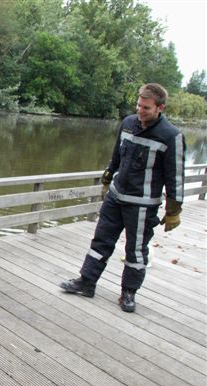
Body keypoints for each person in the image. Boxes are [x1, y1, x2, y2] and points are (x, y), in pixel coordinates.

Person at [58, 83, 185, 312]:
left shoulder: (171, 136)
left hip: (142, 205)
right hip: (116, 198)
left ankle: (128, 293)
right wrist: (107, 180)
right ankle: (86, 282)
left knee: (135, 251)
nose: (140, 110)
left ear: (160, 108)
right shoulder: (127, 123)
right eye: (138, 105)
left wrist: (173, 210)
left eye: (145, 107)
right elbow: (116, 155)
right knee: (100, 241)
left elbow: (175, 176)